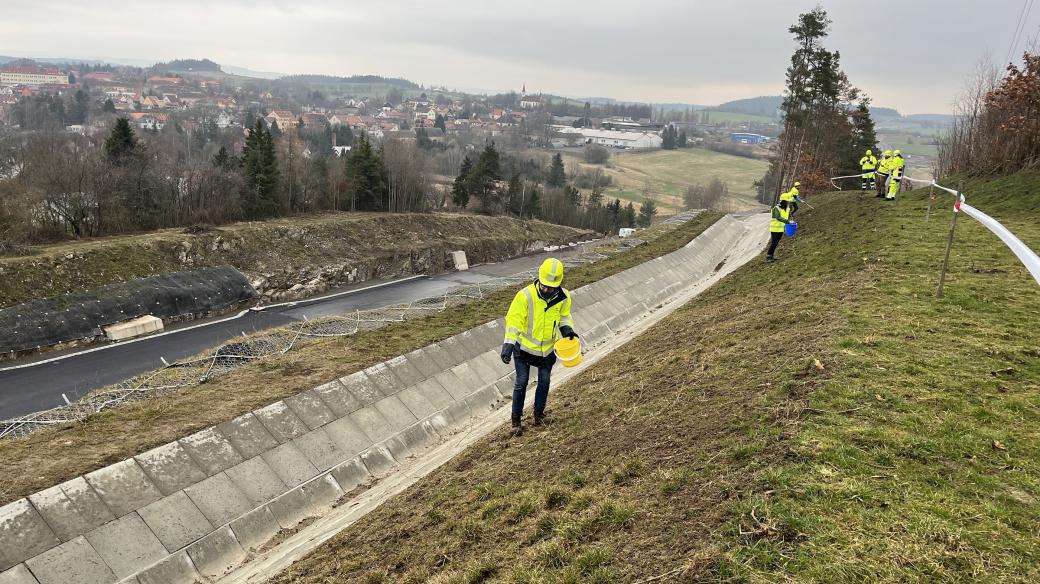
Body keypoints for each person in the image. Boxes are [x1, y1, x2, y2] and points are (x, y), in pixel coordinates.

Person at [501, 257, 577, 436]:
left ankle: (539, 415)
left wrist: (567, 330)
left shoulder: (563, 297)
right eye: (544, 285)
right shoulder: (525, 296)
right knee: (521, 383)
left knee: (544, 382)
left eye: (551, 287)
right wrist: (508, 344)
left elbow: (564, 316)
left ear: (559, 284)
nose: (546, 289)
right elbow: (514, 321)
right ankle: (516, 421)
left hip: (547, 350)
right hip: (523, 349)